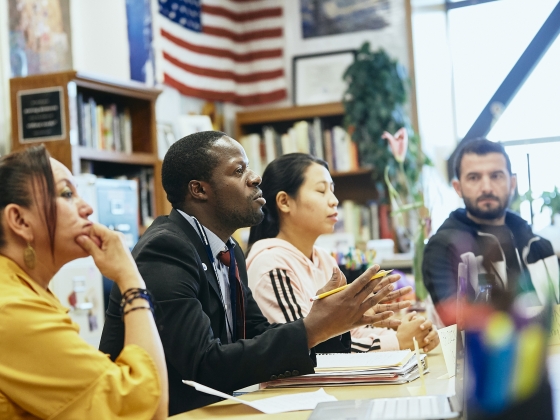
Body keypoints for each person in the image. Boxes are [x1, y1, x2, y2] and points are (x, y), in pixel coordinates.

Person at [99, 131, 410, 415]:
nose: (256, 177)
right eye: (239, 170)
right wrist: (313, 329)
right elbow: (202, 366)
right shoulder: (166, 248)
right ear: (199, 190)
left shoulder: (229, 249)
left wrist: (332, 325)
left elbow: (256, 334)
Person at [0, 145, 168, 419]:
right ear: (20, 220)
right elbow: (147, 408)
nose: (88, 208)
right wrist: (130, 280)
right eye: (67, 193)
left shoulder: (25, 290)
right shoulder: (11, 308)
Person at [246, 153, 439, 354]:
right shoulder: (271, 265)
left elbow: (347, 336)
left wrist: (409, 333)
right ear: (285, 202)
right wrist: (398, 342)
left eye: (332, 190)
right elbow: (305, 347)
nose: (334, 201)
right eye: (321, 191)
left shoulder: (324, 261)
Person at [423, 138, 559, 322]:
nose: (486, 187)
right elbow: (458, 324)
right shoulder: (443, 248)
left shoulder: (538, 245)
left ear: (512, 184)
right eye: (474, 177)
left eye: (496, 176)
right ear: (458, 188)